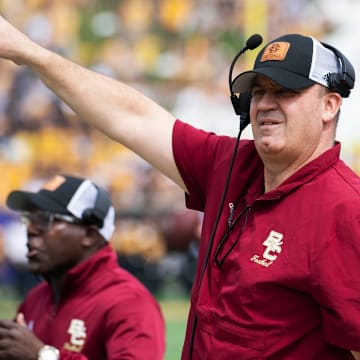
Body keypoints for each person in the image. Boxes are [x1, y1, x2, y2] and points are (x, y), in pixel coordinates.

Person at [0, 15, 358, 360]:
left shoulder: (345, 209)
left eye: (285, 91)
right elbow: (132, 117)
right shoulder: (230, 163)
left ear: (329, 105)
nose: (265, 104)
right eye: (259, 91)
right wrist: (30, 53)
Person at [0, 174, 165, 360]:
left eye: (46, 219)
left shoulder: (130, 303)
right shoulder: (36, 298)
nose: (30, 229)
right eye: (29, 218)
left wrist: (44, 356)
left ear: (90, 235)